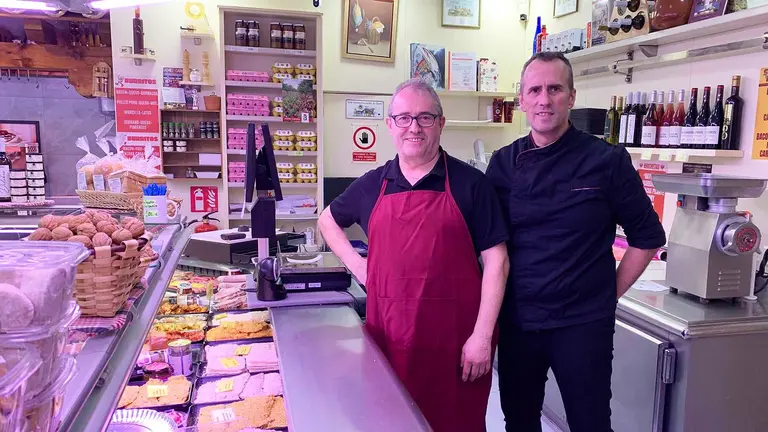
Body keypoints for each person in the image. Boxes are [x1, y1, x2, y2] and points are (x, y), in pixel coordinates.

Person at [486, 52, 666, 432]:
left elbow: (648, 237)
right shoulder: (502, 163)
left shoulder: (607, 161)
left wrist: (607, 295)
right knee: (518, 421)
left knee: (591, 424)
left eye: (554, 89)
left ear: (571, 96)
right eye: (534, 90)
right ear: (521, 100)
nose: (544, 99)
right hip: (520, 320)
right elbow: (490, 247)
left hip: (582, 326)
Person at [318, 78, 509, 431]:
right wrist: (359, 266)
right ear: (390, 125)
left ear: (441, 123)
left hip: (456, 349)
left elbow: (498, 261)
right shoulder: (372, 184)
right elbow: (327, 220)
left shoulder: (472, 184)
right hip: (392, 345)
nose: (414, 127)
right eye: (404, 118)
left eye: (424, 117)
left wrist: (482, 337)